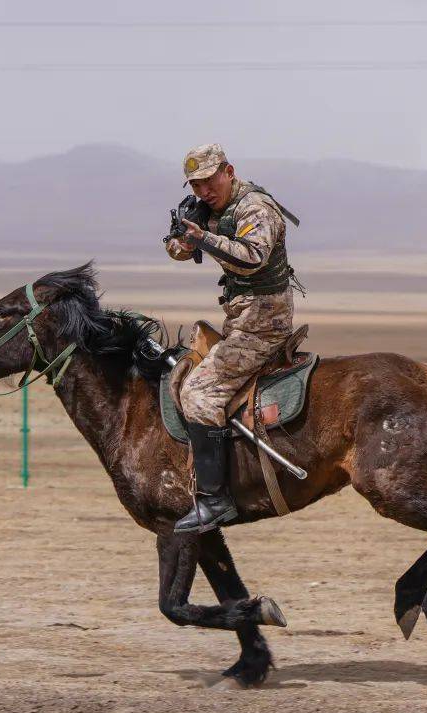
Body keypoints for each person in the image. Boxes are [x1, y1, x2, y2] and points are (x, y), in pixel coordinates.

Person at [165, 143, 300, 533]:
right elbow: (176, 250)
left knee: (198, 394)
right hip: (240, 317)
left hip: (263, 320)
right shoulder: (209, 210)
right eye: (195, 185)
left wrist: (203, 239)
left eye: (209, 181)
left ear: (229, 170)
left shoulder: (256, 207)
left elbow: (252, 256)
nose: (203, 192)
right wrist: (185, 236)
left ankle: (214, 499)